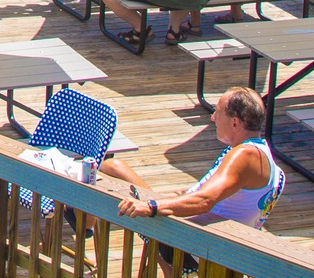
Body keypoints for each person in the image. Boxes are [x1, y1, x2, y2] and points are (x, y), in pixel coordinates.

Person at [117, 86, 283, 229]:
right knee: (114, 168)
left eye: (217, 112)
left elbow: (205, 200)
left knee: (115, 169)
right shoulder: (263, 155)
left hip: (199, 246)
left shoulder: (244, 155)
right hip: (210, 237)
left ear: (234, 123)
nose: (213, 118)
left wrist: (150, 207)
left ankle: (90, 228)